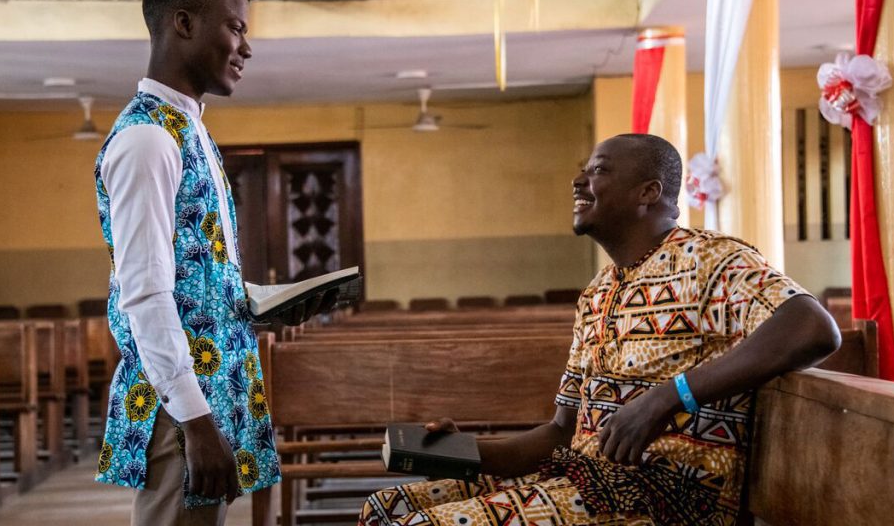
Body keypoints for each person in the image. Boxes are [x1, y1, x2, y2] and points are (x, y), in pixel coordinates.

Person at [358, 133, 841, 526]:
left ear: (648, 191)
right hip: (586, 477)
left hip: (667, 496)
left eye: (599, 170)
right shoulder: (597, 293)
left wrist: (663, 400)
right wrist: (462, 451)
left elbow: (811, 326)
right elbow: (561, 434)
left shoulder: (708, 258)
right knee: (384, 510)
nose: (578, 181)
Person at [92, 0, 329, 525]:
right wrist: (195, 423)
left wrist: (263, 299)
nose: (246, 47)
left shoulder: (188, 128)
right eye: (236, 27)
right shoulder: (148, 140)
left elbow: (194, 270)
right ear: (183, 23)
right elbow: (144, 294)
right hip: (181, 407)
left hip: (208, 391)